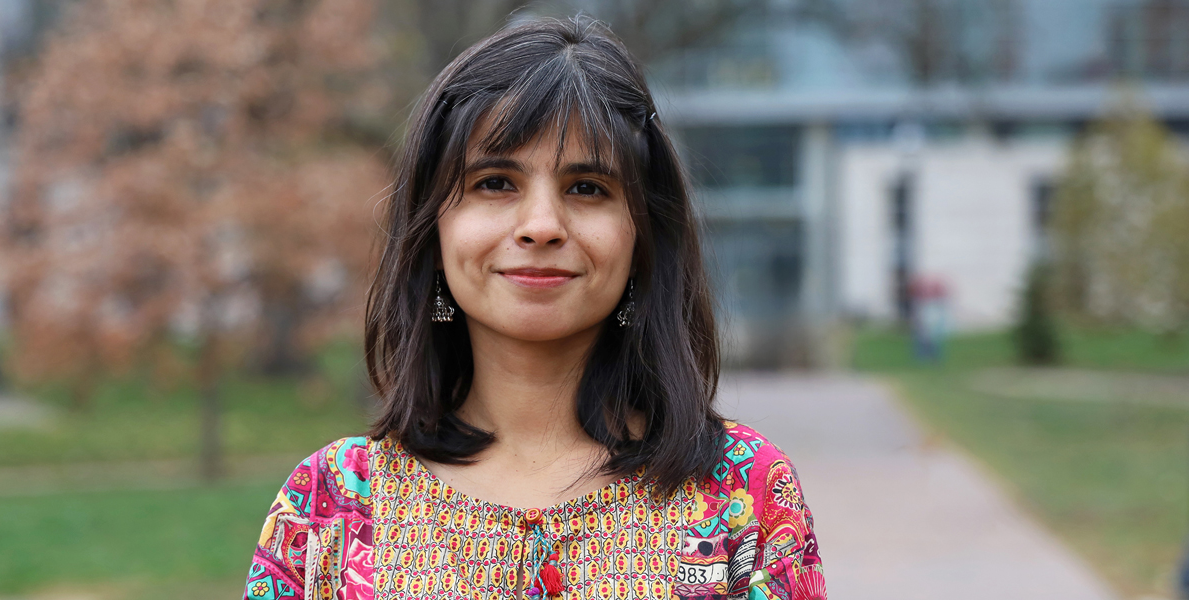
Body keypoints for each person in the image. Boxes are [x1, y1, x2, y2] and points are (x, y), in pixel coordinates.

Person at [243, 16, 825, 600]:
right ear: (433, 231)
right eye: (495, 182)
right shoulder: (331, 505)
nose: (542, 226)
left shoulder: (743, 492)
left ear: (642, 236)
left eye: (588, 188)